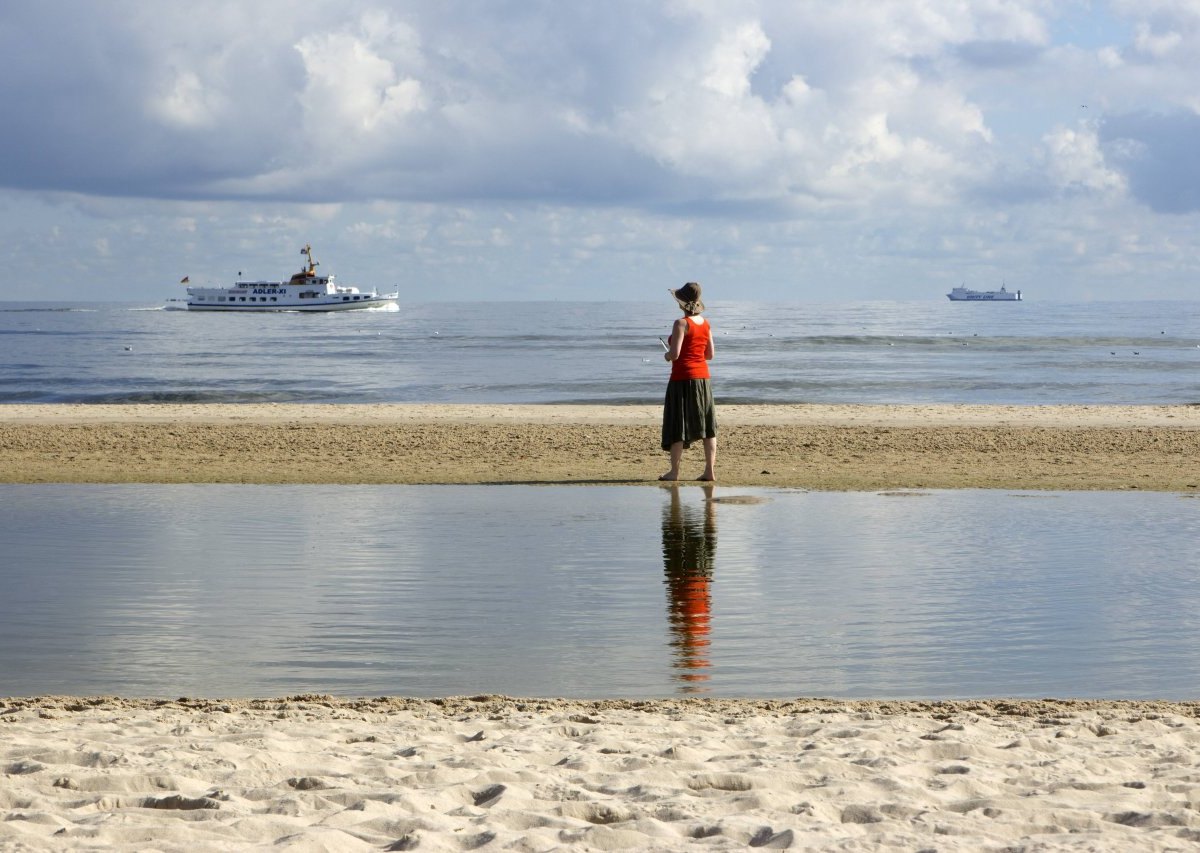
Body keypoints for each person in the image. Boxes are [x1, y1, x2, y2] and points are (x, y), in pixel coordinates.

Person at [660, 281, 716, 481]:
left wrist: (666, 356)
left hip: (682, 378)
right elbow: (710, 355)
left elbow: (674, 355)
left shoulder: (681, 323)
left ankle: (674, 472)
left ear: (681, 302)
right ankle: (709, 471)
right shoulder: (706, 323)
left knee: (678, 424)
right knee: (707, 425)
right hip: (703, 378)